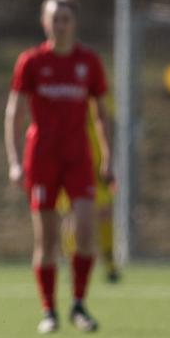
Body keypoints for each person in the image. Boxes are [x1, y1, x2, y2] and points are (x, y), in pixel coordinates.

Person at [4, 0, 114, 334]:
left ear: (74, 23)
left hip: (78, 157)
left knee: (85, 230)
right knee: (47, 240)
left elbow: (101, 115)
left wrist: (108, 156)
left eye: (65, 19)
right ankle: (49, 310)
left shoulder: (89, 62)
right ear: (44, 22)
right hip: (42, 159)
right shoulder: (31, 61)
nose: (60, 25)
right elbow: (14, 113)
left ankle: (79, 304)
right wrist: (15, 161)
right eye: (54, 18)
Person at [57, 108, 121, 283]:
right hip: (71, 164)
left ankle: (109, 263)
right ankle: (73, 263)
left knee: (104, 211)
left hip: (97, 166)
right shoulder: (65, 99)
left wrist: (108, 159)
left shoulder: (97, 99)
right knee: (72, 215)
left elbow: (108, 122)